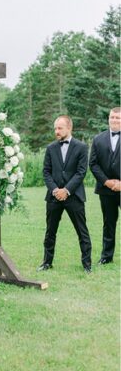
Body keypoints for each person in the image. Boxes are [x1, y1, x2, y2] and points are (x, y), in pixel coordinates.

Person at [38, 115, 92, 273]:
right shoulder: (50, 148)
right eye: (55, 128)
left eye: (60, 128)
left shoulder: (81, 147)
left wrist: (66, 190)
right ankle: (47, 262)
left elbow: (81, 172)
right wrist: (55, 190)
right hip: (54, 196)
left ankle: (87, 264)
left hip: (74, 196)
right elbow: (46, 172)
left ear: (69, 128)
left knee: (82, 231)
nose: (56, 131)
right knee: (50, 231)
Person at [89, 106, 121, 264]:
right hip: (105, 189)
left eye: (118, 118)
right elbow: (93, 164)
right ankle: (106, 257)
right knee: (108, 223)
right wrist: (107, 182)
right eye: (112, 117)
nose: (114, 120)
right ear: (108, 119)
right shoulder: (98, 139)